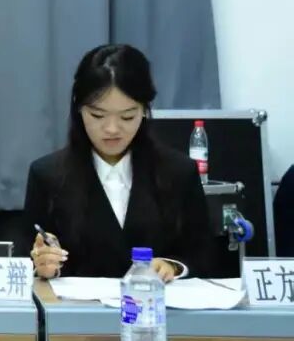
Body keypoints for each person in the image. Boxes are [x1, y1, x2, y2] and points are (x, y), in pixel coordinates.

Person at [24, 44, 212, 280]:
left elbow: (203, 255)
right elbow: (29, 256)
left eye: (127, 116)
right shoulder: (47, 175)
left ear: (144, 110)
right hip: (78, 304)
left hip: (156, 301)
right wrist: (43, 266)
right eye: (98, 115)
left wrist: (173, 266)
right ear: (79, 109)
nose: (112, 129)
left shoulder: (179, 172)